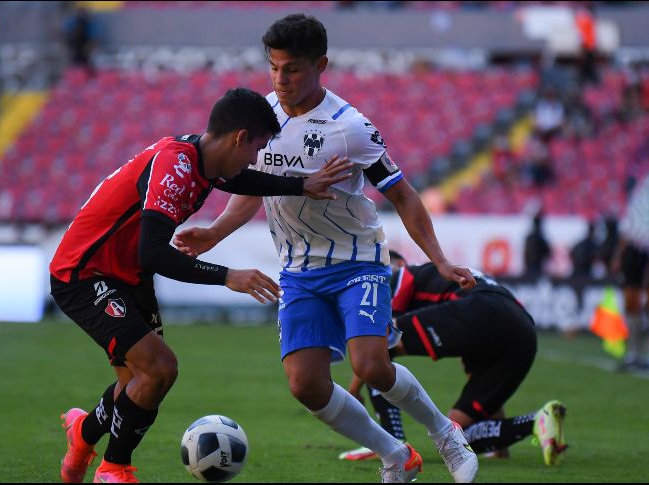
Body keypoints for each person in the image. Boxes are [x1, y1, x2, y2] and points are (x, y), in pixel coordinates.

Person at [173, 14, 478, 483]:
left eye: (291, 68)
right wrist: (214, 234)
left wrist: (438, 259)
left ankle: (445, 433)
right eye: (274, 67)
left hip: (358, 262)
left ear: (322, 65)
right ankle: (395, 454)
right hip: (298, 271)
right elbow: (253, 190)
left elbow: (402, 194)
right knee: (306, 385)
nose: (280, 79)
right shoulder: (262, 117)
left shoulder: (349, 126)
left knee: (371, 365)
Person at [50, 87, 353, 484]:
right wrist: (229, 276)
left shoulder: (206, 162)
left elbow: (241, 181)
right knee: (159, 369)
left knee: (138, 384)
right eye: (256, 148)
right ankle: (114, 470)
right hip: (84, 273)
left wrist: (301, 186)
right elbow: (153, 253)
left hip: (127, 276)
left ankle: (83, 433)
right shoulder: (175, 166)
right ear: (240, 138)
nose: (254, 159)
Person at [340, 251, 568, 467]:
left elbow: (377, 341)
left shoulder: (400, 274)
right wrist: (501, 450)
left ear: (399, 264)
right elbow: (479, 376)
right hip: (522, 330)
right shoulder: (452, 285)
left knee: (380, 343)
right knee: (456, 435)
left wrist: (354, 390)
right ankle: (537, 422)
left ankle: (392, 442)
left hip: (483, 308)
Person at [611, 175, 649, 371]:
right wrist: (619, 254)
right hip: (635, 250)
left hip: (640, 250)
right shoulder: (642, 189)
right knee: (632, 303)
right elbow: (630, 225)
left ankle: (639, 353)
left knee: (640, 303)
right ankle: (635, 353)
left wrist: (618, 255)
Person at [523, 211, 551, 278]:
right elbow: (547, 251)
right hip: (536, 268)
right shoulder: (539, 238)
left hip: (534, 268)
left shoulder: (530, 238)